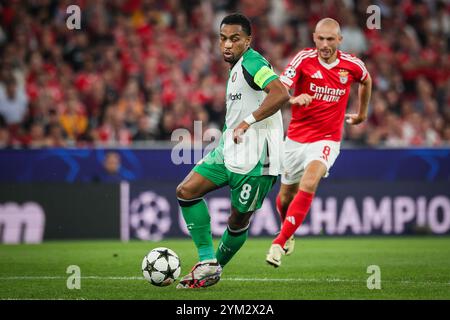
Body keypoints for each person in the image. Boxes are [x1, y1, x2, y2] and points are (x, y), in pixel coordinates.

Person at [176, 13, 289, 288]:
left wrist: (247, 122)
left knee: (237, 220)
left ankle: (213, 269)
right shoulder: (237, 66)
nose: (227, 44)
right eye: (223, 38)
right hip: (229, 150)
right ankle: (207, 262)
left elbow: (280, 93)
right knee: (186, 192)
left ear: (248, 41)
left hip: (258, 160)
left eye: (235, 39)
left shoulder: (252, 62)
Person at [265, 18, 372, 267]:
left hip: (326, 139)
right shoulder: (303, 59)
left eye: (330, 39)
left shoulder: (352, 65)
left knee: (310, 181)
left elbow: (366, 80)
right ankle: (287, 230)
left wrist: (362, 113)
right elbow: (280, 89)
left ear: (339, 40)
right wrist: (292, 100)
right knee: (284, 197)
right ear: (314, 38)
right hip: (295, 139)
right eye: (321, 38)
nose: (325, 44)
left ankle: (278, 243)